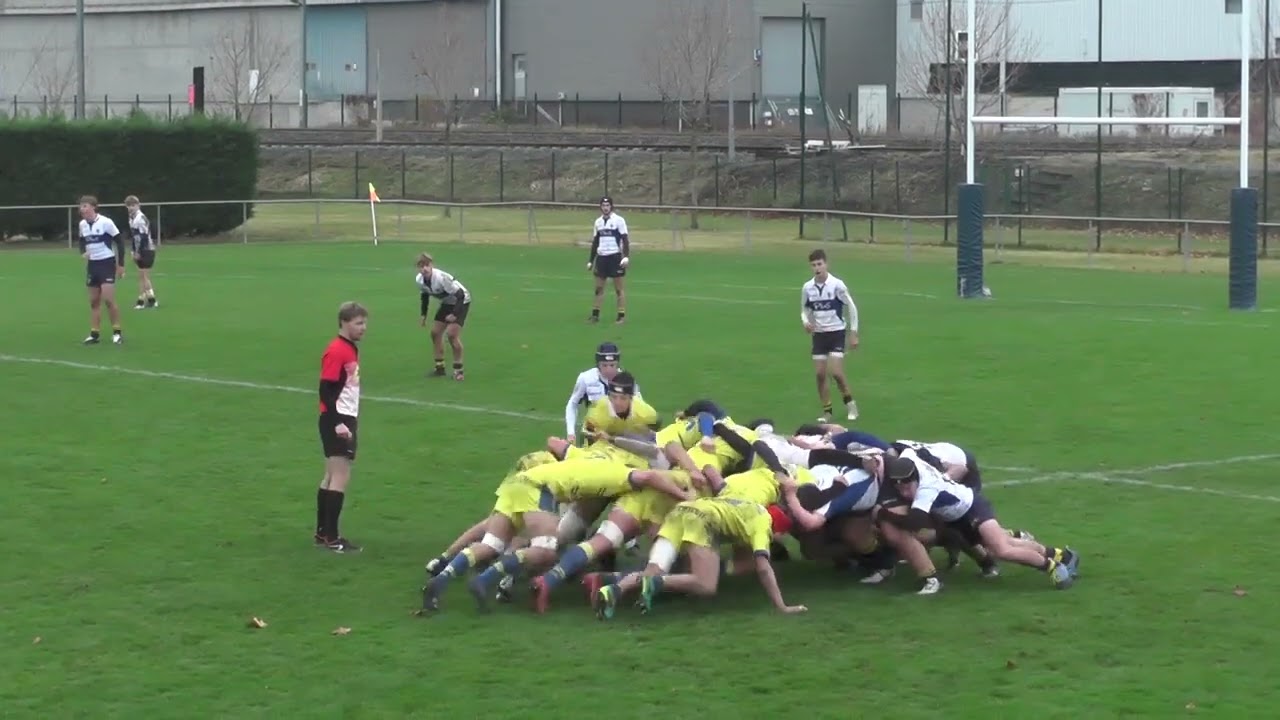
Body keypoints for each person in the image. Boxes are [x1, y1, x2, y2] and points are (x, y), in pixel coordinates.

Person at [876, 453, 1079, 593]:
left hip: (971, 508)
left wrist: (884, 514)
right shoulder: (911, 462)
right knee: (1006, 543)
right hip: (959, 518)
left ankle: (1053, 567)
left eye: (907, 487)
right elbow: (908, 452)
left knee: (1002, 550)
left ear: (915, 480)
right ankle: (1061, 554)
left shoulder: (926, 490)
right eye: (898, 488)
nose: (903, 493)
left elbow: (915, 522)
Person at [594, 497, 806, 619]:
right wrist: (782, 606)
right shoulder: (763, 526)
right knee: (706, 585)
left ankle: (615, 590)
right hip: (702, 521)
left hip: (681, 510)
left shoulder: (749, 505)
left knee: (656, 569)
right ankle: (652, 584)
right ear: (778, 530)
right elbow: (763, 567)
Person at [315, 301, 368, 553]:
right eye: (358, 323)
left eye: (364, 323)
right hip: (338, 419)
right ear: (344, 323)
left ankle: (322, 532)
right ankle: (333, 538)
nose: (363, 328)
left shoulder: (349, 348)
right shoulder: (338, 351)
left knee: (329, 476)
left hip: (340, 417)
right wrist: (338, 423)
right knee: (340, 476)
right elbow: (325, 389)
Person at [801, 249, 859, 420]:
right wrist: (806, 322)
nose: (817, 268)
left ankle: (851, 405)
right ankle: (827, 412)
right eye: (813, 265)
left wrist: (854, 333)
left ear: (826, 264)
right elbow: (804, 309)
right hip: (819, 335)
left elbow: (852, 307)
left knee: (836, 373)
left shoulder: (837, 285)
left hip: (836, 333)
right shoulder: (807, 288)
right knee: (820, 374)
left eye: (819, 264)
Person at [564, 342, 642, 444]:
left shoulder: (627, 381)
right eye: (604, 365)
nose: (608, 369)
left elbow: (639, 407)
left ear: (617, 363)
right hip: (593, 436)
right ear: (598, 364)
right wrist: (570, 433)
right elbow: (573, 404)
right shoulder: (586, 379)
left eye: (612, 365)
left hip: (620, 437)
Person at [77, 195, 126, 345]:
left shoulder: (106, 222)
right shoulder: (82, 225)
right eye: (81, 206)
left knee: (109, 300)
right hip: (93, 265)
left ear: (93, 207)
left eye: (85, 206)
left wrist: (121, 264)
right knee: (94, 301)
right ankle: (94, 334)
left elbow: (119, 241)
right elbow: (81, 241)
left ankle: (117, 333)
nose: (82, 209)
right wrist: (83, 252)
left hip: (107, 263)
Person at [415, 253, 471, 380]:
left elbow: (460, 295)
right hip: (447, 303)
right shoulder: (419, 280)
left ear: (431, 265)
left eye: (427, 265)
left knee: (452, 335)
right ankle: (439, 368)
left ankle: (459, 370)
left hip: (461, 302)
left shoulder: (441, 278)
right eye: (421, 266)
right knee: (435, 333)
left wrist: (454, 314)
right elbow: (425, 296)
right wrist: (423, 315)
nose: (424, 269)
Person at [586, 196, 629, 325]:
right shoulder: (598, 222)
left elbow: (625, 239)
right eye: (603, 206)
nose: (605, 208)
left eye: (607, 206)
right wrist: (591, 260)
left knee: (618, 289)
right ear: (601, 207)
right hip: (602, 258)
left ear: (611, 207)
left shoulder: (619, 221)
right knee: (599, 288)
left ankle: (621, 316)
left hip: (615, 257)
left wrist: (626, 256)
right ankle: (595, 315)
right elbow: (595, 242)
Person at [125, 195, 158, 309]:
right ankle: (151, 300)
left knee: (142, 276)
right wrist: (133, 250)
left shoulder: (140, 218)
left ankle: (142, 301)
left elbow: (143, 237)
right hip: (140, 249)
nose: (131, 208)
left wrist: (138, 251)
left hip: (147, 249)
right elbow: (135, 237)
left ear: (138, 205)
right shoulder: (131, 218)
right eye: (129, 206)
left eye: (133, 205)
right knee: (143, 276)